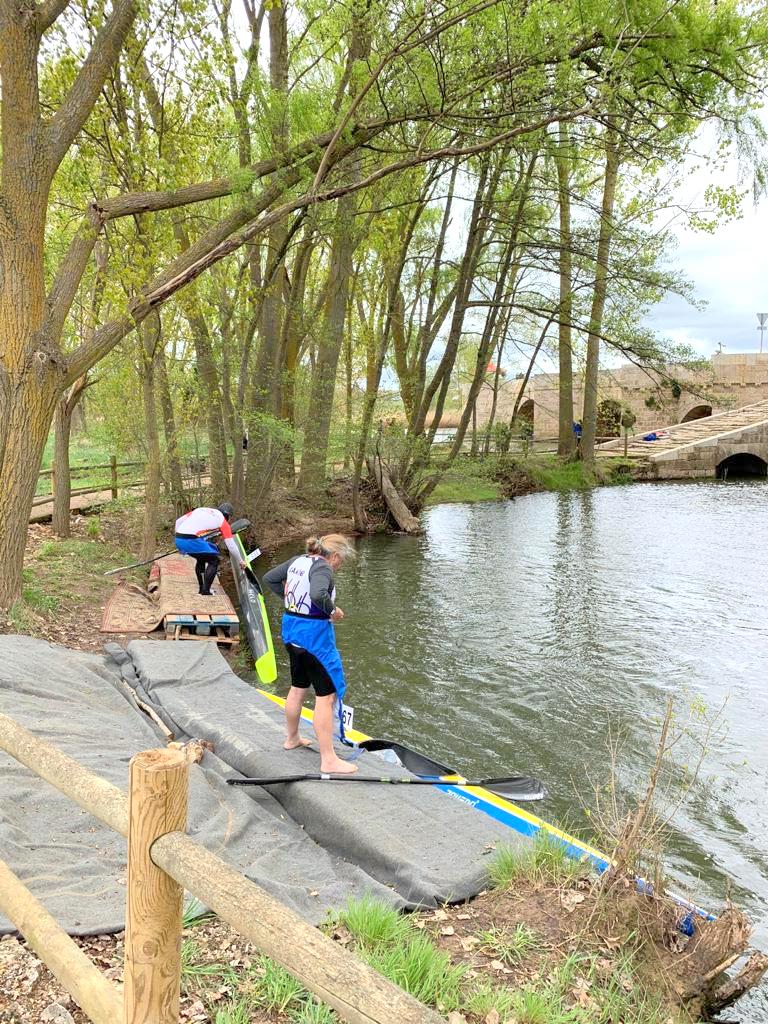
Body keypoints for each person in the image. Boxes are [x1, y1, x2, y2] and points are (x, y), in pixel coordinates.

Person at [263, 534, 357, 774]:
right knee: (326, 696)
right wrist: (333, 611)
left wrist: (289, 599)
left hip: (291, 632)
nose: (339, 566)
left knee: (298, 688)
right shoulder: (323, 568)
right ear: (334, 556)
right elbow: (317, 595)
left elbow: (270, 578)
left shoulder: (298, 560)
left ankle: (291, 738)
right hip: (314, 638)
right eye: (341, 561)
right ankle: (329, 759)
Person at [174, 502, 242, 596]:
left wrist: (179, 541)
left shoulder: (201, 509)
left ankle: (202, 589)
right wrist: (240, 561)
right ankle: (206, 591)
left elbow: (178, 522)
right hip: (191, 540)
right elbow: (231, 546)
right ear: (227, 515)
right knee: (214, 561)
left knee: (201, 558)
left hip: (179, 538)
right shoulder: (223, 522)